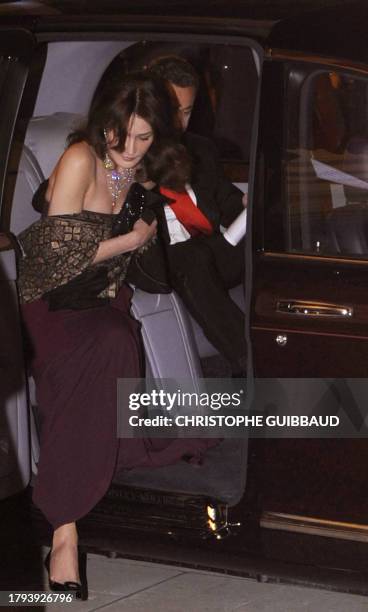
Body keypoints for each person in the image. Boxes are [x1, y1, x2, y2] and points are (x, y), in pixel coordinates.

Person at [17, 72, 218, 598]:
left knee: (116, 337)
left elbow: (174, 235)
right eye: (119, 135)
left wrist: (158, 226)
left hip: (104, 301)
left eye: (144, 138)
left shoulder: (144, 173)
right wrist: (132, 237)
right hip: (52, 302)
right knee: (105, 346)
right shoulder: (80, 159)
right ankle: (64, 530)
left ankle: (83, 483)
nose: (128, 150)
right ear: (103, 126)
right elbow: (54, 261)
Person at [147, 55, 247, 375]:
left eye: (187, 111)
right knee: (189, 258)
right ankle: (248, 359)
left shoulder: (200, 148)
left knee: (268, 242)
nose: (180, 122)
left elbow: (226, 198)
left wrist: (247, 206)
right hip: (164, 259)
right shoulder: (130, 148)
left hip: (210, 251)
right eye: (172, 110)